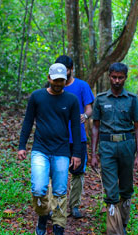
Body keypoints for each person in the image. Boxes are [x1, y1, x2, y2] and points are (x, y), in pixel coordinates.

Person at [18, 63, 81, 235]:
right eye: (55, 80)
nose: (58, 83)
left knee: (60, 191)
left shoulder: (71, 100)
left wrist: (76, 153)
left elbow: (76, 127)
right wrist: (22, 146)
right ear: (49, 78)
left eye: (61, 80)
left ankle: (59, 227)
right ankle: (43, 215)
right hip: (40, 149)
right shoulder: (37, 96)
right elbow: (28, 122)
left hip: (62, 151)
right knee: (38, 188)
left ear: (65, 80)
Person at [90, 62, 138, 235]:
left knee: (126, 189)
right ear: (109, 76)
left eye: (120, 77)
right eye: (114, 77)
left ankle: (123, 225)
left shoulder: (131, 99)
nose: (117, 81)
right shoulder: (101, 99)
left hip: (127, 145)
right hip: (107, 147)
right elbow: (95, 126)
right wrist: (93, 153)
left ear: (125, 78)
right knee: (111, 191)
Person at [55, 55, 95, 218]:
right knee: (57, 172)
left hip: (78, 137)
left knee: (78, 172)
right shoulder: (55, 86)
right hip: (58, 138)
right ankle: (57, 206)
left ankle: (75, 205)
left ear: (71, 70)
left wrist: (85, 116)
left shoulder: (82, 86)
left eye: (65, 70)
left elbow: (89, 108)